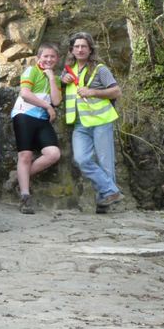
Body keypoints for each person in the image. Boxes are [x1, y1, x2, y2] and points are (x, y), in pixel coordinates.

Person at [61, 32, 123, 212]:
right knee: (81, 159)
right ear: (72, 50)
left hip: (101, 121)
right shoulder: (68, 70)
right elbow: (64, 87)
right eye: (77, 46)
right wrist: (61, 80)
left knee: (105, 163)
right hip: (80, 124)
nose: (80, 49)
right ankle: (111, 191)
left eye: (84, 46)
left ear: (90, 49)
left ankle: (103, 203)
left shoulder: (100, 69)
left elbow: (116, 91)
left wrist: (93, 92)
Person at [10, 43, 63, 214]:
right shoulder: (31, 71)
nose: (48, 59)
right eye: (45, 56)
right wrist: (46, 107)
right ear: (38, 58)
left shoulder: (55, 78)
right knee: (25, 155)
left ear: (57, 59)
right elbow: (25, 94)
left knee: (53, 153)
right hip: (24, 115)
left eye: (52, 56)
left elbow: (56, 101)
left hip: (41, 120)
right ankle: (25, 196)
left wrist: (52, 78)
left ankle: (19, 177)